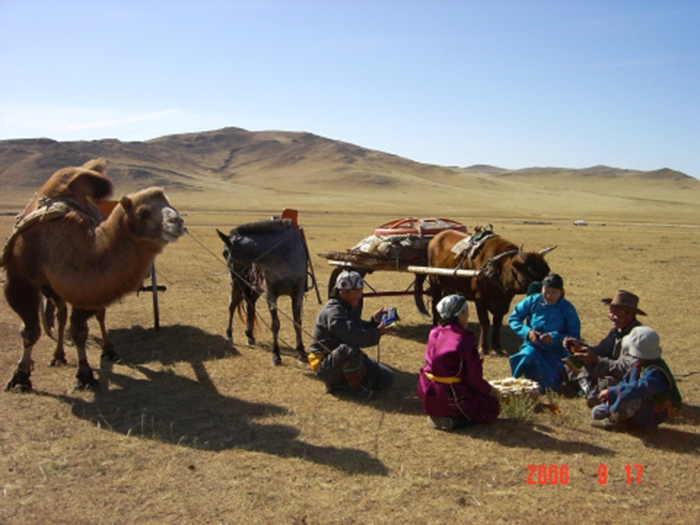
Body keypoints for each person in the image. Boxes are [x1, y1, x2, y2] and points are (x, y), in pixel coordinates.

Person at [417, 294, 500, 430]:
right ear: (461, 313)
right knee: (491, 406)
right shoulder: (464, 337)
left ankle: (437, 413)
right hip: (451, 393)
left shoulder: (434, 332)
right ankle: (453, 421)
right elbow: (472, 376)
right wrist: (488, 390)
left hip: (428, 389)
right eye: (466, 311)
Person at [308, 270, 394, 398]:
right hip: (326, 365)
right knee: (348, 348)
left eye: (360, 290)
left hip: (343, 357)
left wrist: (373, 322)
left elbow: (356, 327)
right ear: (342, 292)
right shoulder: (334, 312)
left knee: (387, 378)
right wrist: (377, 332)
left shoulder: (347, 306)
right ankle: (353, 388)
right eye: (356, 292)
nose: (360, 296)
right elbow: (354, 337)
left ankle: (342, 384)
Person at [590, 326, 681, 431]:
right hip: (640, 403)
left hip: (654, 411)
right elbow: (626, 381)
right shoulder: (637, 363)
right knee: (597, 412)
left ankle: (616, 422)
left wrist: (612, 392)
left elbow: (638, 388)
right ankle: (627, 420)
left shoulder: (656, 372)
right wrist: (611, 397)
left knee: (634, 397)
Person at [564, 290, 644, 407]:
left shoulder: (637, 337)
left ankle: (595, 393)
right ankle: (590, 392)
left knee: (610, 382)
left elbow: (627, 369)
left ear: (630, 315)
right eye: (611, 313)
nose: (612, 317)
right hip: (608, 369)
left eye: (617, 314)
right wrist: (580, 347)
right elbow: (601, 349)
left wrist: (596, 362)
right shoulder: (617, 330)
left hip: (624, 377)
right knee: (571, 365)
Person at [508, 274, 581, 392]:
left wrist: (554, 338)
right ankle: (519, 383)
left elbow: (574, 335)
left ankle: (548, 385)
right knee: (527, 355)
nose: (548, 296)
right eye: (545, 291)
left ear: (561, 292)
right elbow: (513, 319)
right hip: (533, 346)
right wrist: (528, 332)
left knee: (561, 370)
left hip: (557, 351)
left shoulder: (567, 308)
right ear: (541, 288)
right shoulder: (532, 301)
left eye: (553, 292)